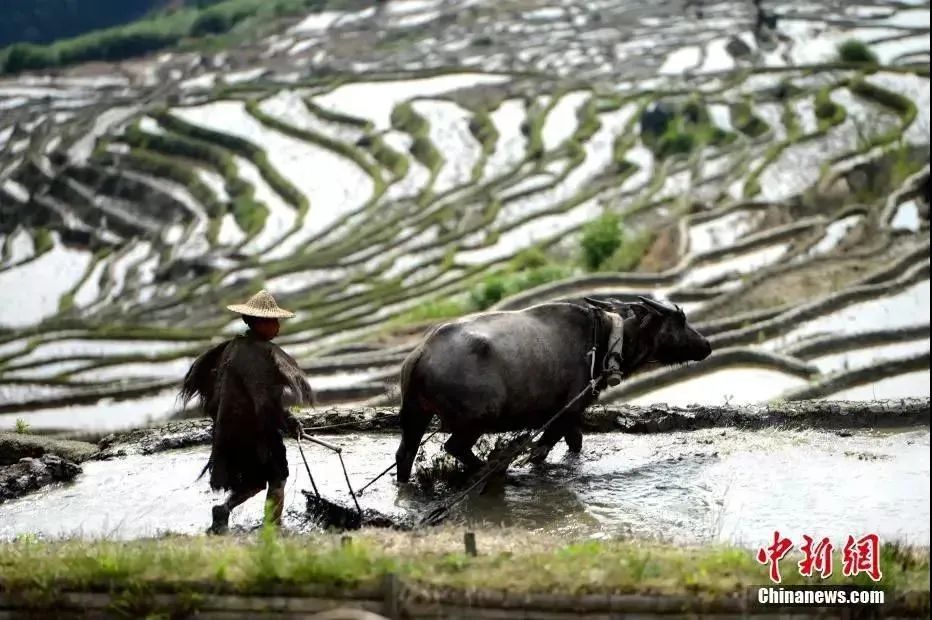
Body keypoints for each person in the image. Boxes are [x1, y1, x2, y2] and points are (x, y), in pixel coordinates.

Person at [180, 290, 314, 534]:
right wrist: (289, 421)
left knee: (254, 480)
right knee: (278, 477)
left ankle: (224, 508)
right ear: (259, 323)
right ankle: (273, 528)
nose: (277, 326)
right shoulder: (262, 355)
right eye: (273, 321)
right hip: (258, 432)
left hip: (232, 429)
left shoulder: (232, 348)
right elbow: (266, 401)